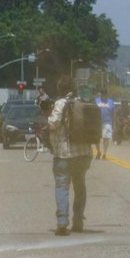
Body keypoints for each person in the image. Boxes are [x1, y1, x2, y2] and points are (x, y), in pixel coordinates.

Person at [46, 83, 92, 235]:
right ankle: (78, 222)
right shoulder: (84, 102)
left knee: (62, 186)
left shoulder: (60, 103)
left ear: (60, 89)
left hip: (64, 153)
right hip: (84, 153)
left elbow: (53, 124)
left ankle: (62, 222)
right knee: (80, 187)